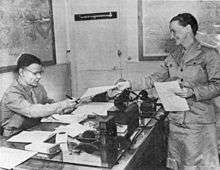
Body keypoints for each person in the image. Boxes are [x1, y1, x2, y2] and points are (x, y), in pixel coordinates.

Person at [144, 13, 220, 169]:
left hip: (199, 123)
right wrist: (139, 82)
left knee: (199, 166)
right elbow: (157, 76)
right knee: (178, 166)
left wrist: (193, 91)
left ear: (188, 29)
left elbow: (217, 85)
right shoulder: (173, 55)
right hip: (177, 122)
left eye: (174, 31)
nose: (172, 36)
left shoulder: (209, 54)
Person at [0, 53, 77, 137]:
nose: (39, 76)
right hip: (15, 135)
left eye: (40, 73)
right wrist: (61, 105)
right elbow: (31, 111)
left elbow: (47, 103)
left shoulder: (38, 87)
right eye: (35, 73)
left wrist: (65, 108)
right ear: (21, 72)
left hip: (35, 129)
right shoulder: (12, 93)